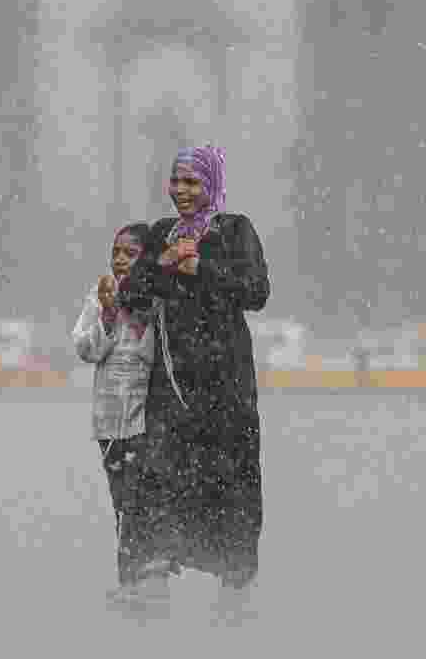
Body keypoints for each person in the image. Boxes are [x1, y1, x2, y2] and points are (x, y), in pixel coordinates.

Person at [116, 144, 270, 623]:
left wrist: (201, 268)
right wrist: (163, 264)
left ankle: (235, 593)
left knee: (231, 482)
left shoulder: (234, 231)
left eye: (192, 182)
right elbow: (131, 292)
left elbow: (256, 292)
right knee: (161, 479)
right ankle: (152, 589)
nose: (181, 191)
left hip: (226, 387)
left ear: (211, 184)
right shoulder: (160, 235)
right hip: (172, 386)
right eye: (176, 181)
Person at [71, 223, 161, 607]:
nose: (120, 259)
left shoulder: (159, 299)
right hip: (110, 420)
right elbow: (86, 349)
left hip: (148, 419)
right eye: (117, 251)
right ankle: (130, 581)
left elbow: (159, 355)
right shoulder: (99, 295)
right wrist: (108, 317)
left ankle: (150, 578)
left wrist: (138, 315)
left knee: (144, 500)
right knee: (123, 502)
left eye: (131, 252)